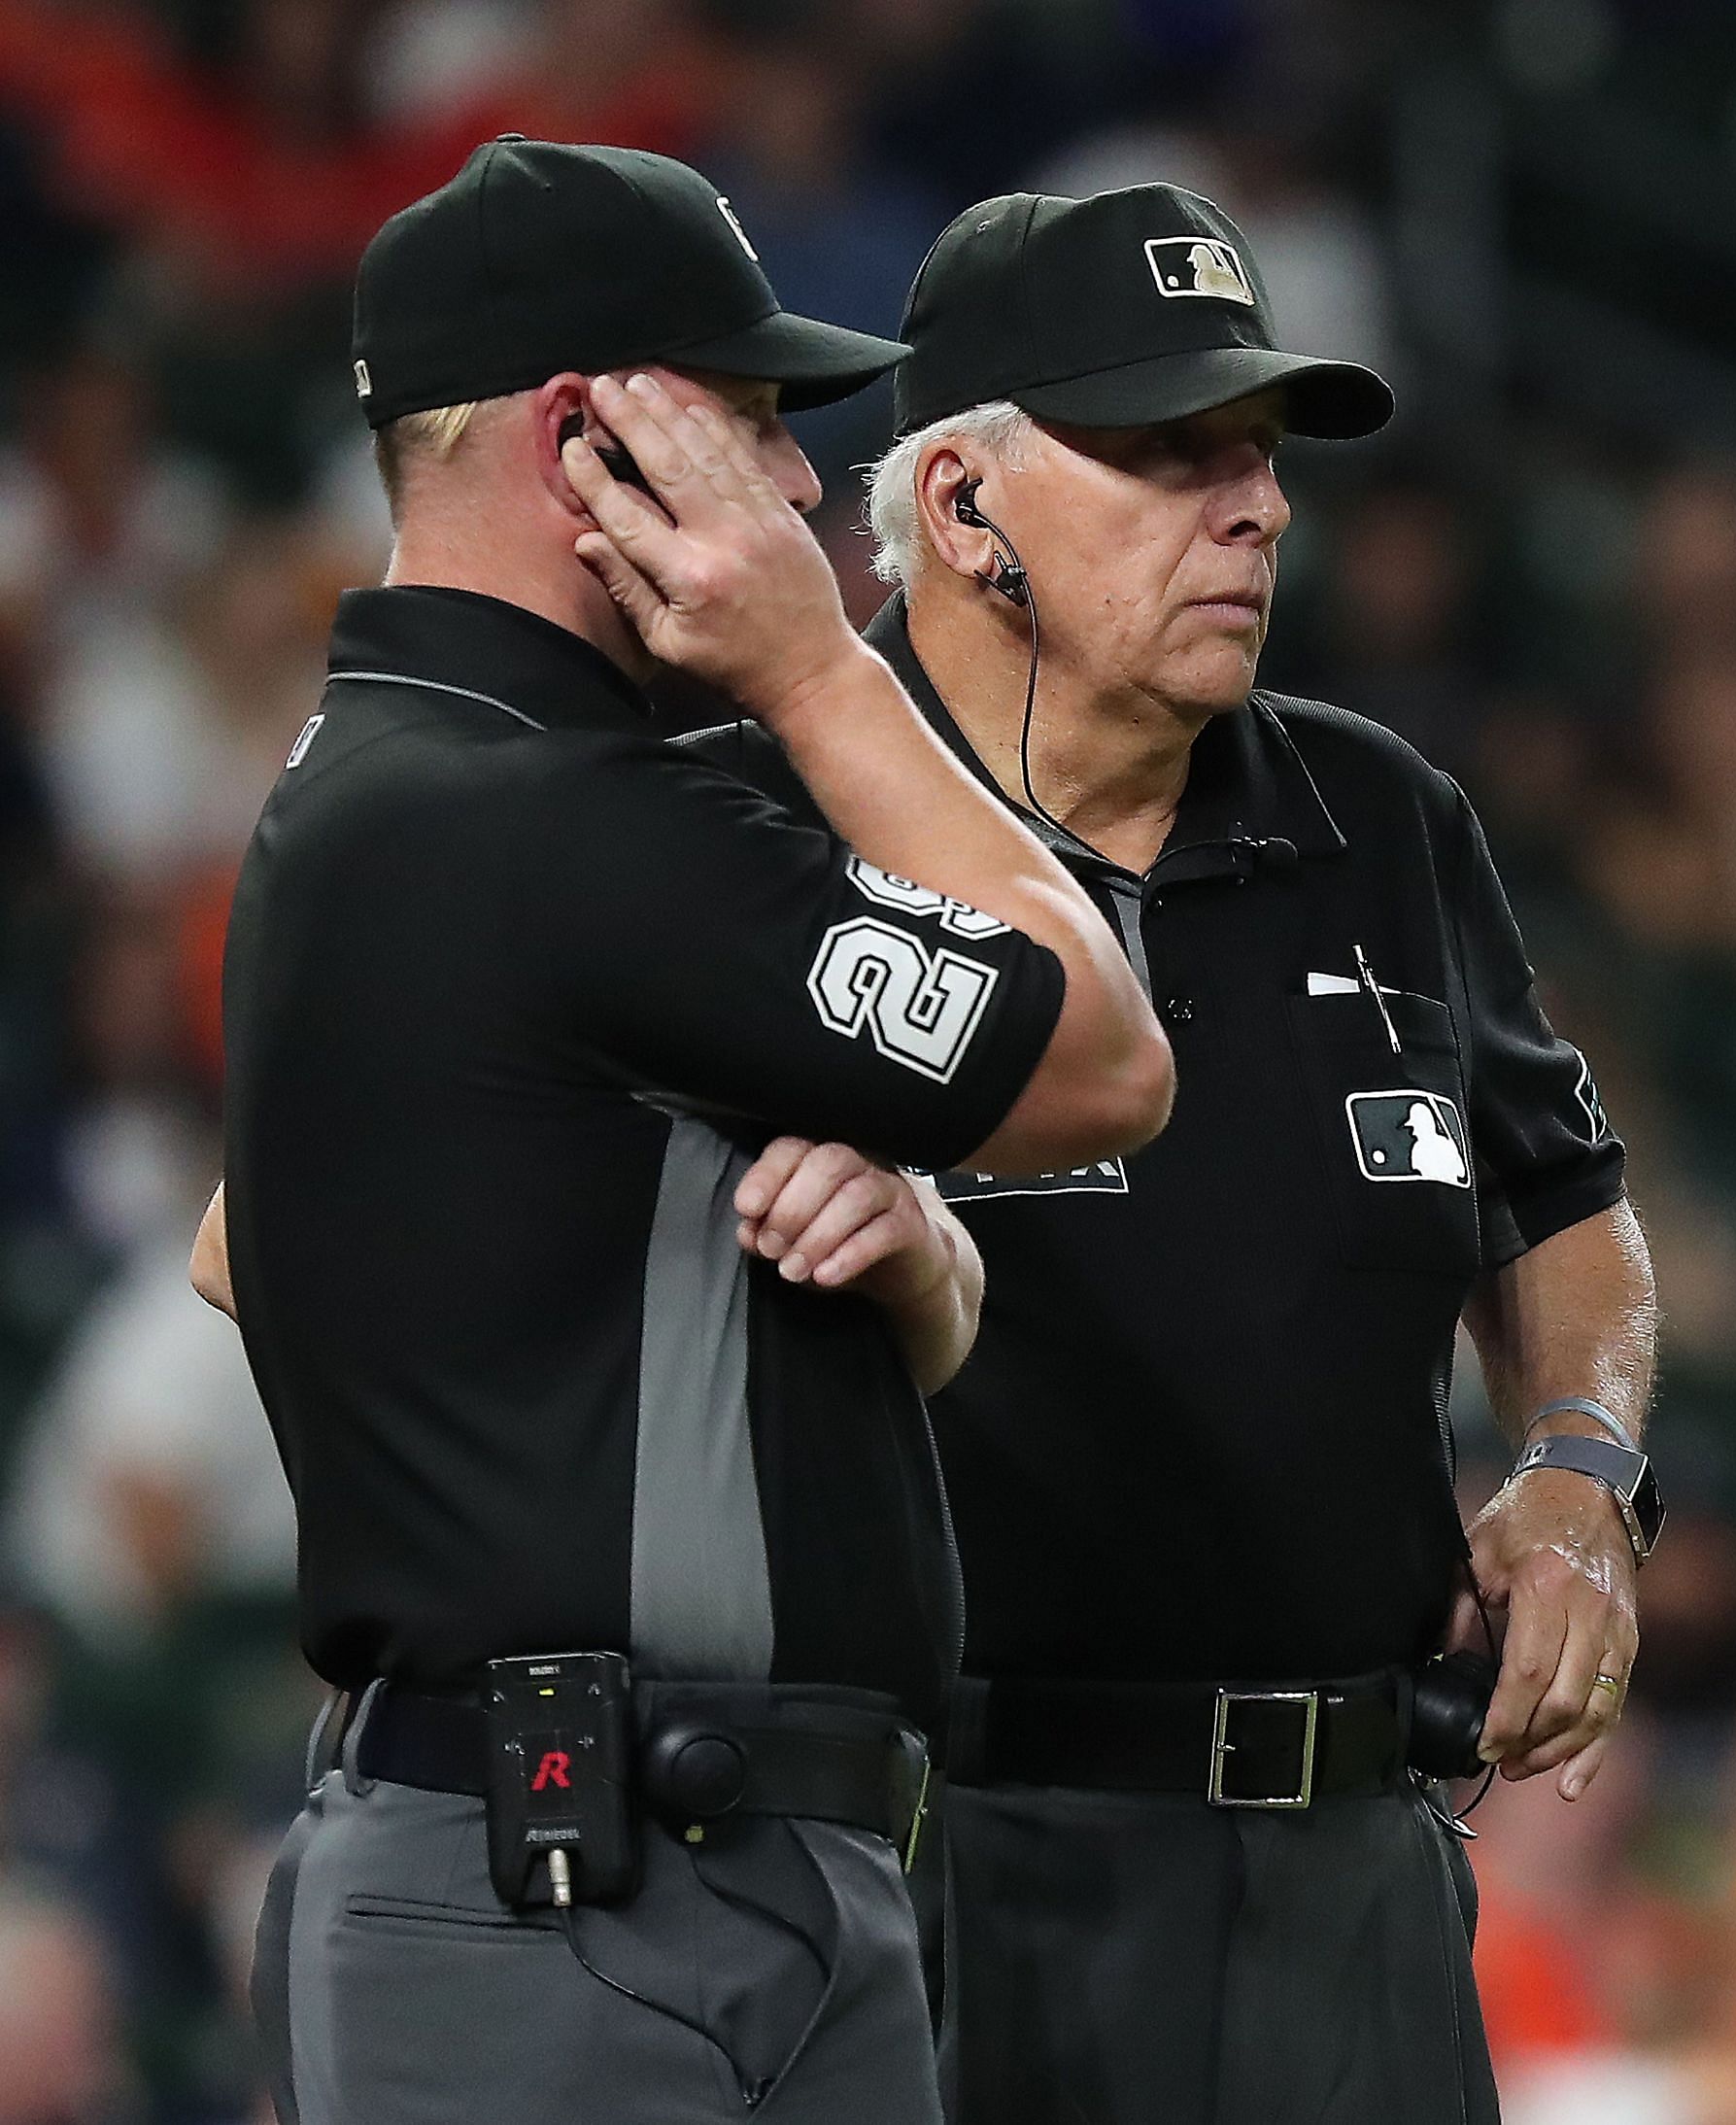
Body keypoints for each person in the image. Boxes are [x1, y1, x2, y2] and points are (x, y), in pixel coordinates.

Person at [205, 141, 1171, 2125]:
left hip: (700, 1871)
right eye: (748, 427)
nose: (806, 489)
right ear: (590, 447)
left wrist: (921, 1247)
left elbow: (264, 1238)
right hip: (564, 1903)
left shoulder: (424, 788)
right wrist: (820, 665)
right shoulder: (538, 821)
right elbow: (1103, 1055)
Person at [683, 184, 1660, 2125]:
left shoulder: (1376, 812)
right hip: (947, 1856)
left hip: (1358, 1870)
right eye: (1165, 452)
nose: (1257, 506)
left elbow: (1564, 1203)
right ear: (958, 506)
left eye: (1262, 455)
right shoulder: (754, 832)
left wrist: (1577, 1464)